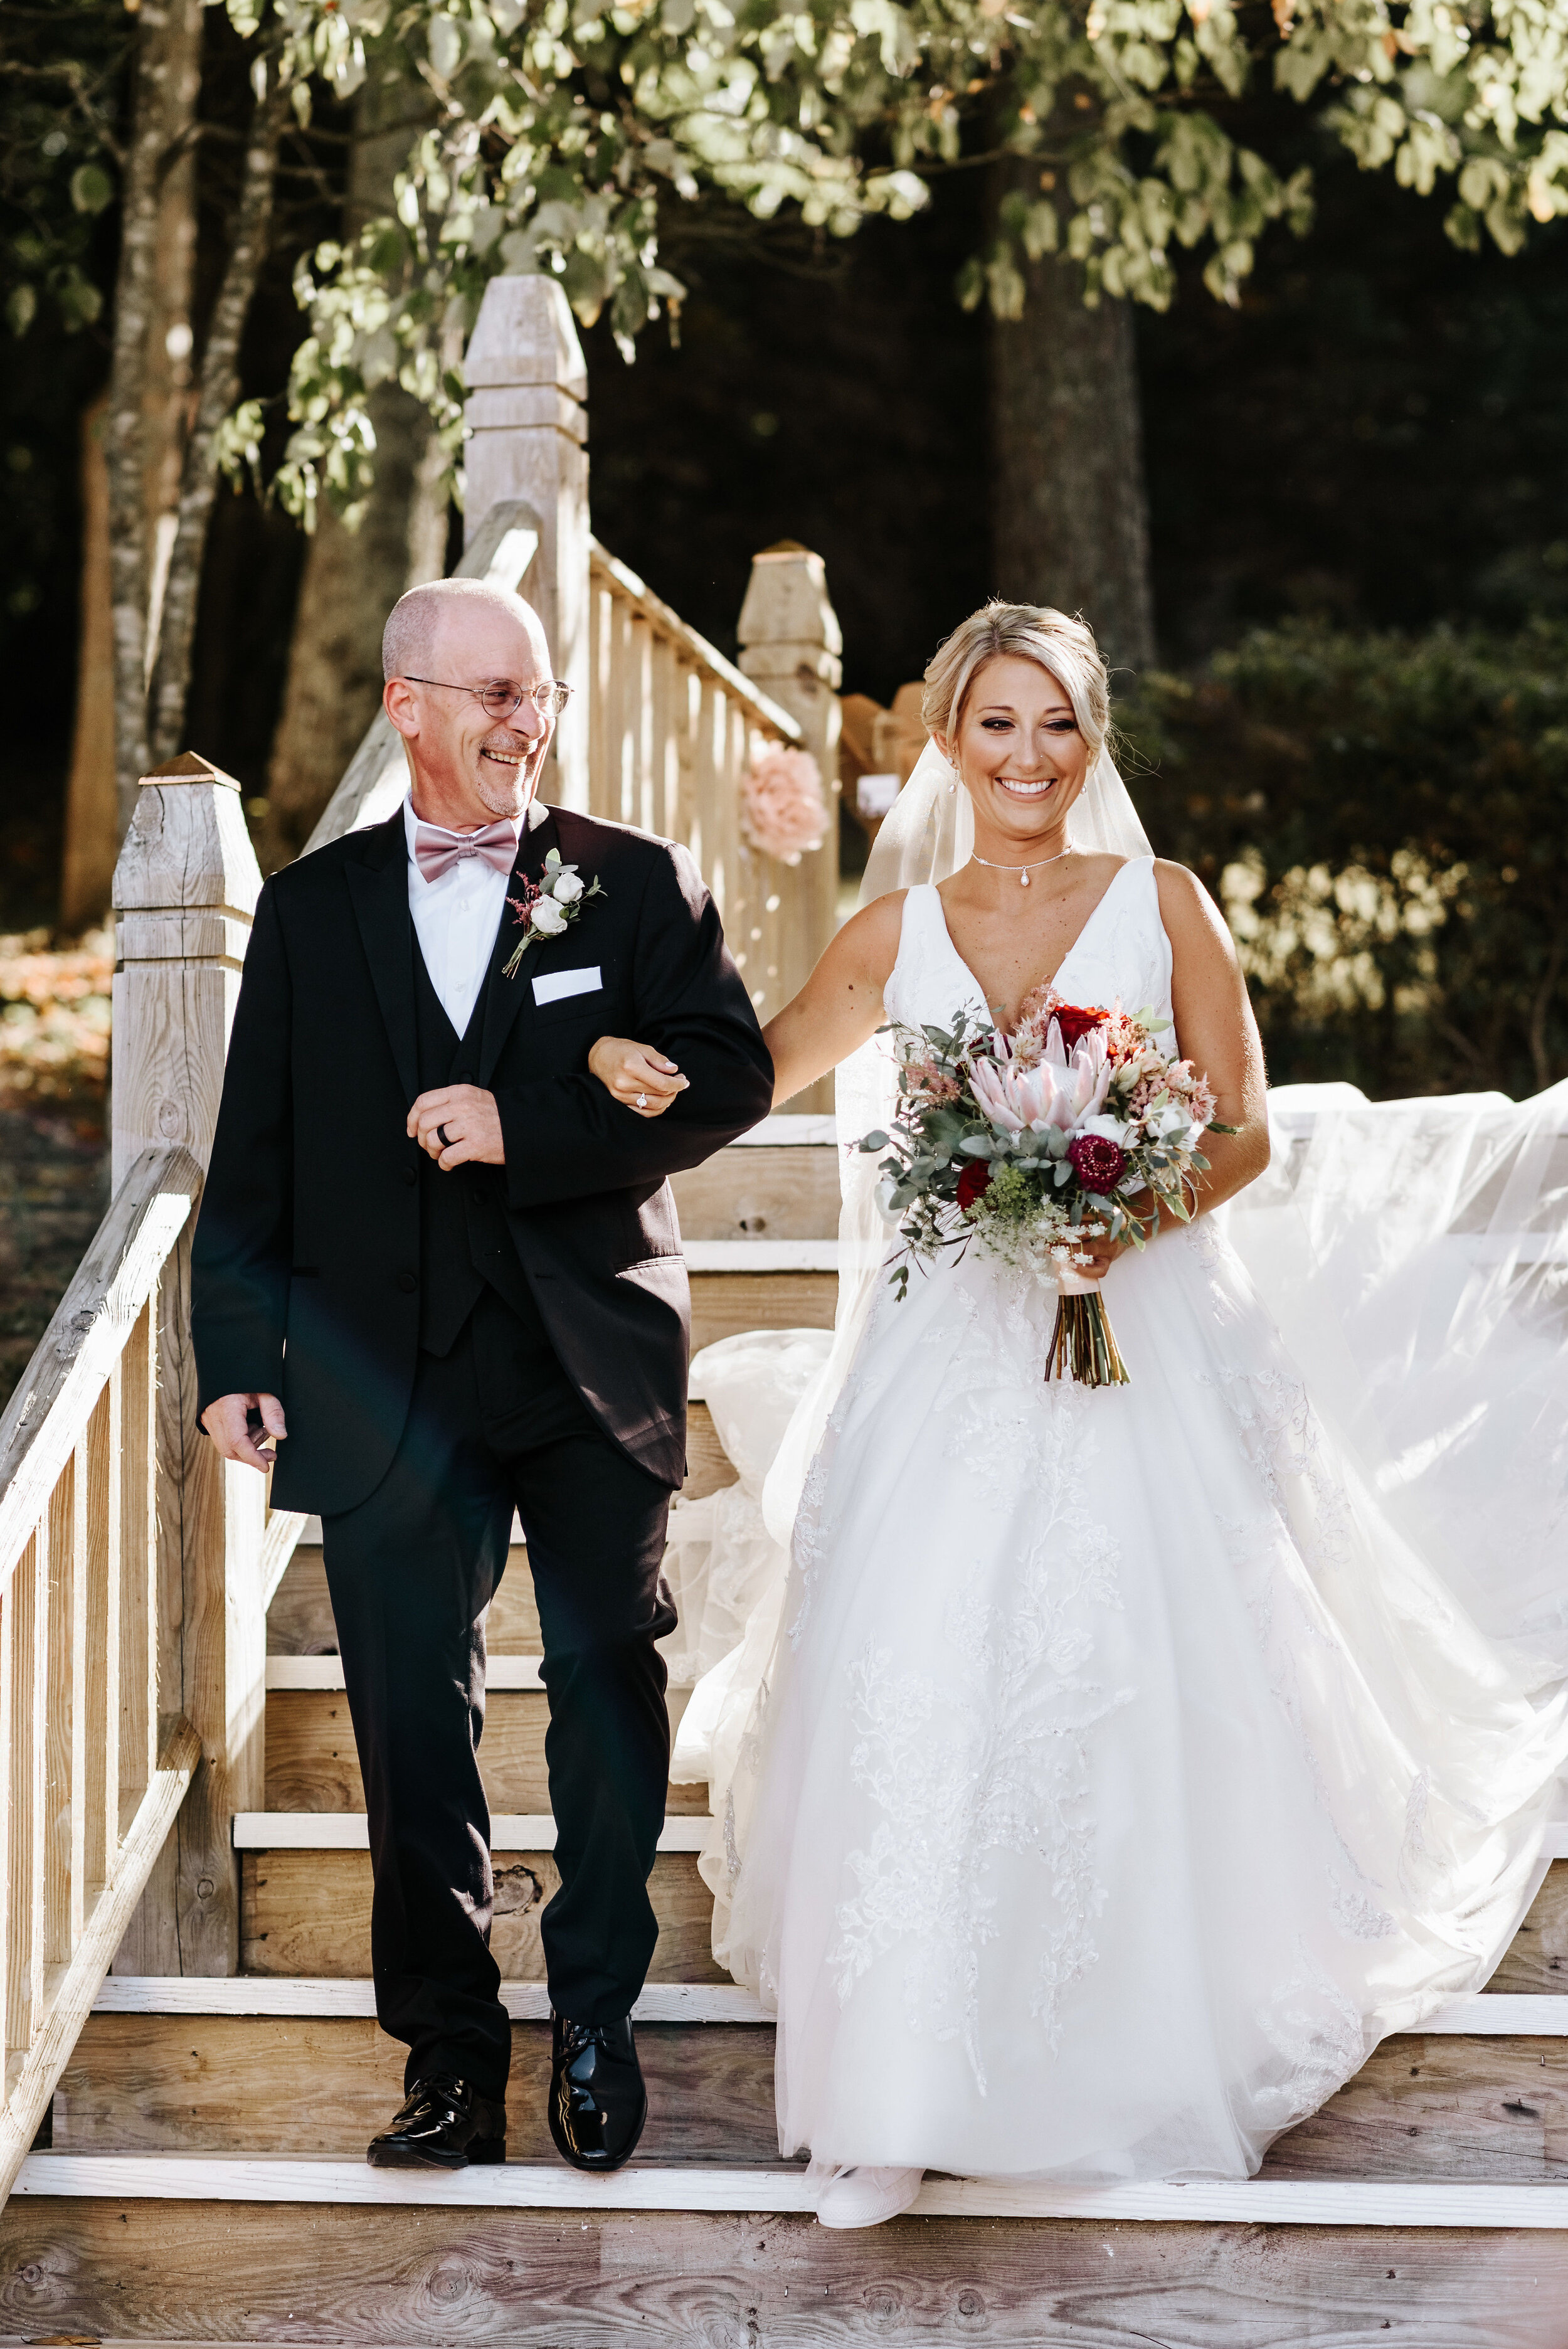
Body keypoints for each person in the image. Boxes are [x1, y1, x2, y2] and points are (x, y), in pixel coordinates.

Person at [591, 600, 1568, 2230]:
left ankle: (1125, 2072)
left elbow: (1241, 1127)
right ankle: (883, 2097)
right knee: (907, 1673)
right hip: (936, 1364)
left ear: (1091, 737)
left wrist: (1117, 1217)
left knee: (1111, 1677)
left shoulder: (1161, 905)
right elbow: (752, 1078)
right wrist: (612, 1082)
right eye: (995, 724)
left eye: (1056, 724)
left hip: (1138, 1337)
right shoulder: (891, 935)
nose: (1027, 756)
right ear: (946, 743)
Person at [191, 576, 774, 2175]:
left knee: (604, 1691)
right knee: (408, 1715)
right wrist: (234, 1357)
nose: (527, 722)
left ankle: (594, 2013)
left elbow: (727, 1073)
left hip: (591, 1355)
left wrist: (537, 1130)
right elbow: (254, 1159)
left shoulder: (632, 884)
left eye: (539, 694)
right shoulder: (311, 913)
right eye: (493, 694)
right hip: (384, 1375)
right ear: (406, 704)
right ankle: (447, 2052)